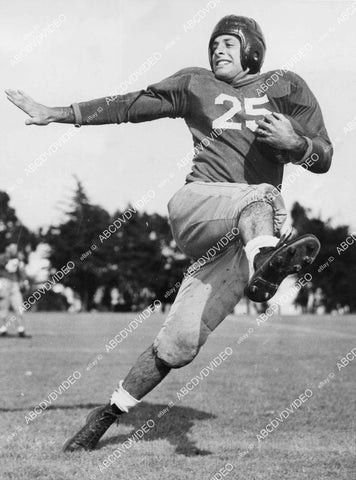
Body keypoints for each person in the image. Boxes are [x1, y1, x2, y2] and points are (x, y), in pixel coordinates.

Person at [5, 15, 333, 451]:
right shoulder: (196, 83)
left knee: (179, 345)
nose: (217, 49)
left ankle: (102, 419)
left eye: (228, 43)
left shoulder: (287, 86)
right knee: (264, 197)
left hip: (239, 240)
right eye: (213, 43)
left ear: (253, 49)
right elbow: (130, 105)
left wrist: (299, 146)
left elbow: (324, 156)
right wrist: (57, 114)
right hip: (199, 205)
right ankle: (267, 262)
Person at [0, 244, 29, 337]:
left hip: (14, 284)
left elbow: (21, 272)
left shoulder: (18, 259)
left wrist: (24, 281)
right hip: (4, 283)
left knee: (19, 307)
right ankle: (2, 329)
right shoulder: (3, 257)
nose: (14, 250)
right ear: (7, 249)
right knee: (3, 308)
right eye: (12, 248)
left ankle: (21, 330)